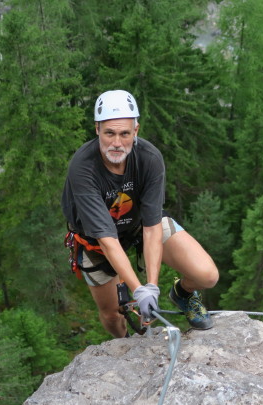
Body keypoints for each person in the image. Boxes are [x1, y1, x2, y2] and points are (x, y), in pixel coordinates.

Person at [61, 89, 219, 337]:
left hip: (138, 224)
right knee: (113, 315)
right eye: (109, 133)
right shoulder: (83, 167)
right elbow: (107, 239)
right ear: (97, 130)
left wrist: (152, 287)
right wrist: (138, 290)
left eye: (124, 134)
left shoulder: (148, 158)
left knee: (207, 275)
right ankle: (126, 345)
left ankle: (183, 294)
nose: (116, 143)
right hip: (95, 241)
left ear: (136, 131)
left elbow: (152, 226)